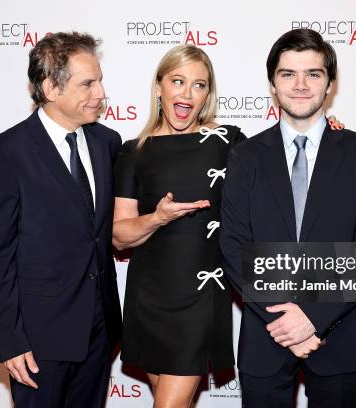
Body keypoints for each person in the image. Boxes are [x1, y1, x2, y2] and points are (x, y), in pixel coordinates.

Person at [220, 28, 356, 408]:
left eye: (313, 74)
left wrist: (311, 316)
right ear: (272, 84)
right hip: (267, 332)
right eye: (287, 74)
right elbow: (233, 246)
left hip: (340, 331)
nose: (300, 84)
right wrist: (286, 320)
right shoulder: (244, 156)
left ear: (330, 83)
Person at [0, 32, 122, 408]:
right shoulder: (5, 154)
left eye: (100, 80)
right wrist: (10, 342)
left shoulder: (108, 143)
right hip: (38, 340)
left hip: (99, 330)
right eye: (88, 83)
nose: (101, 93)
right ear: (50, 88)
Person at [112, 44, 243, 407]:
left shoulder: (227, 142)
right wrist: (158, 217)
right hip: (148, 298)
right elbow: (119, 235)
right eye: (178, 81)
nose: (187, 93)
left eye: (199, 85)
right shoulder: (133, 151)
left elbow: (279, 160)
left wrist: (326, 136)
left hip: (201, 297)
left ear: (207, 95)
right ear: (159, 87)